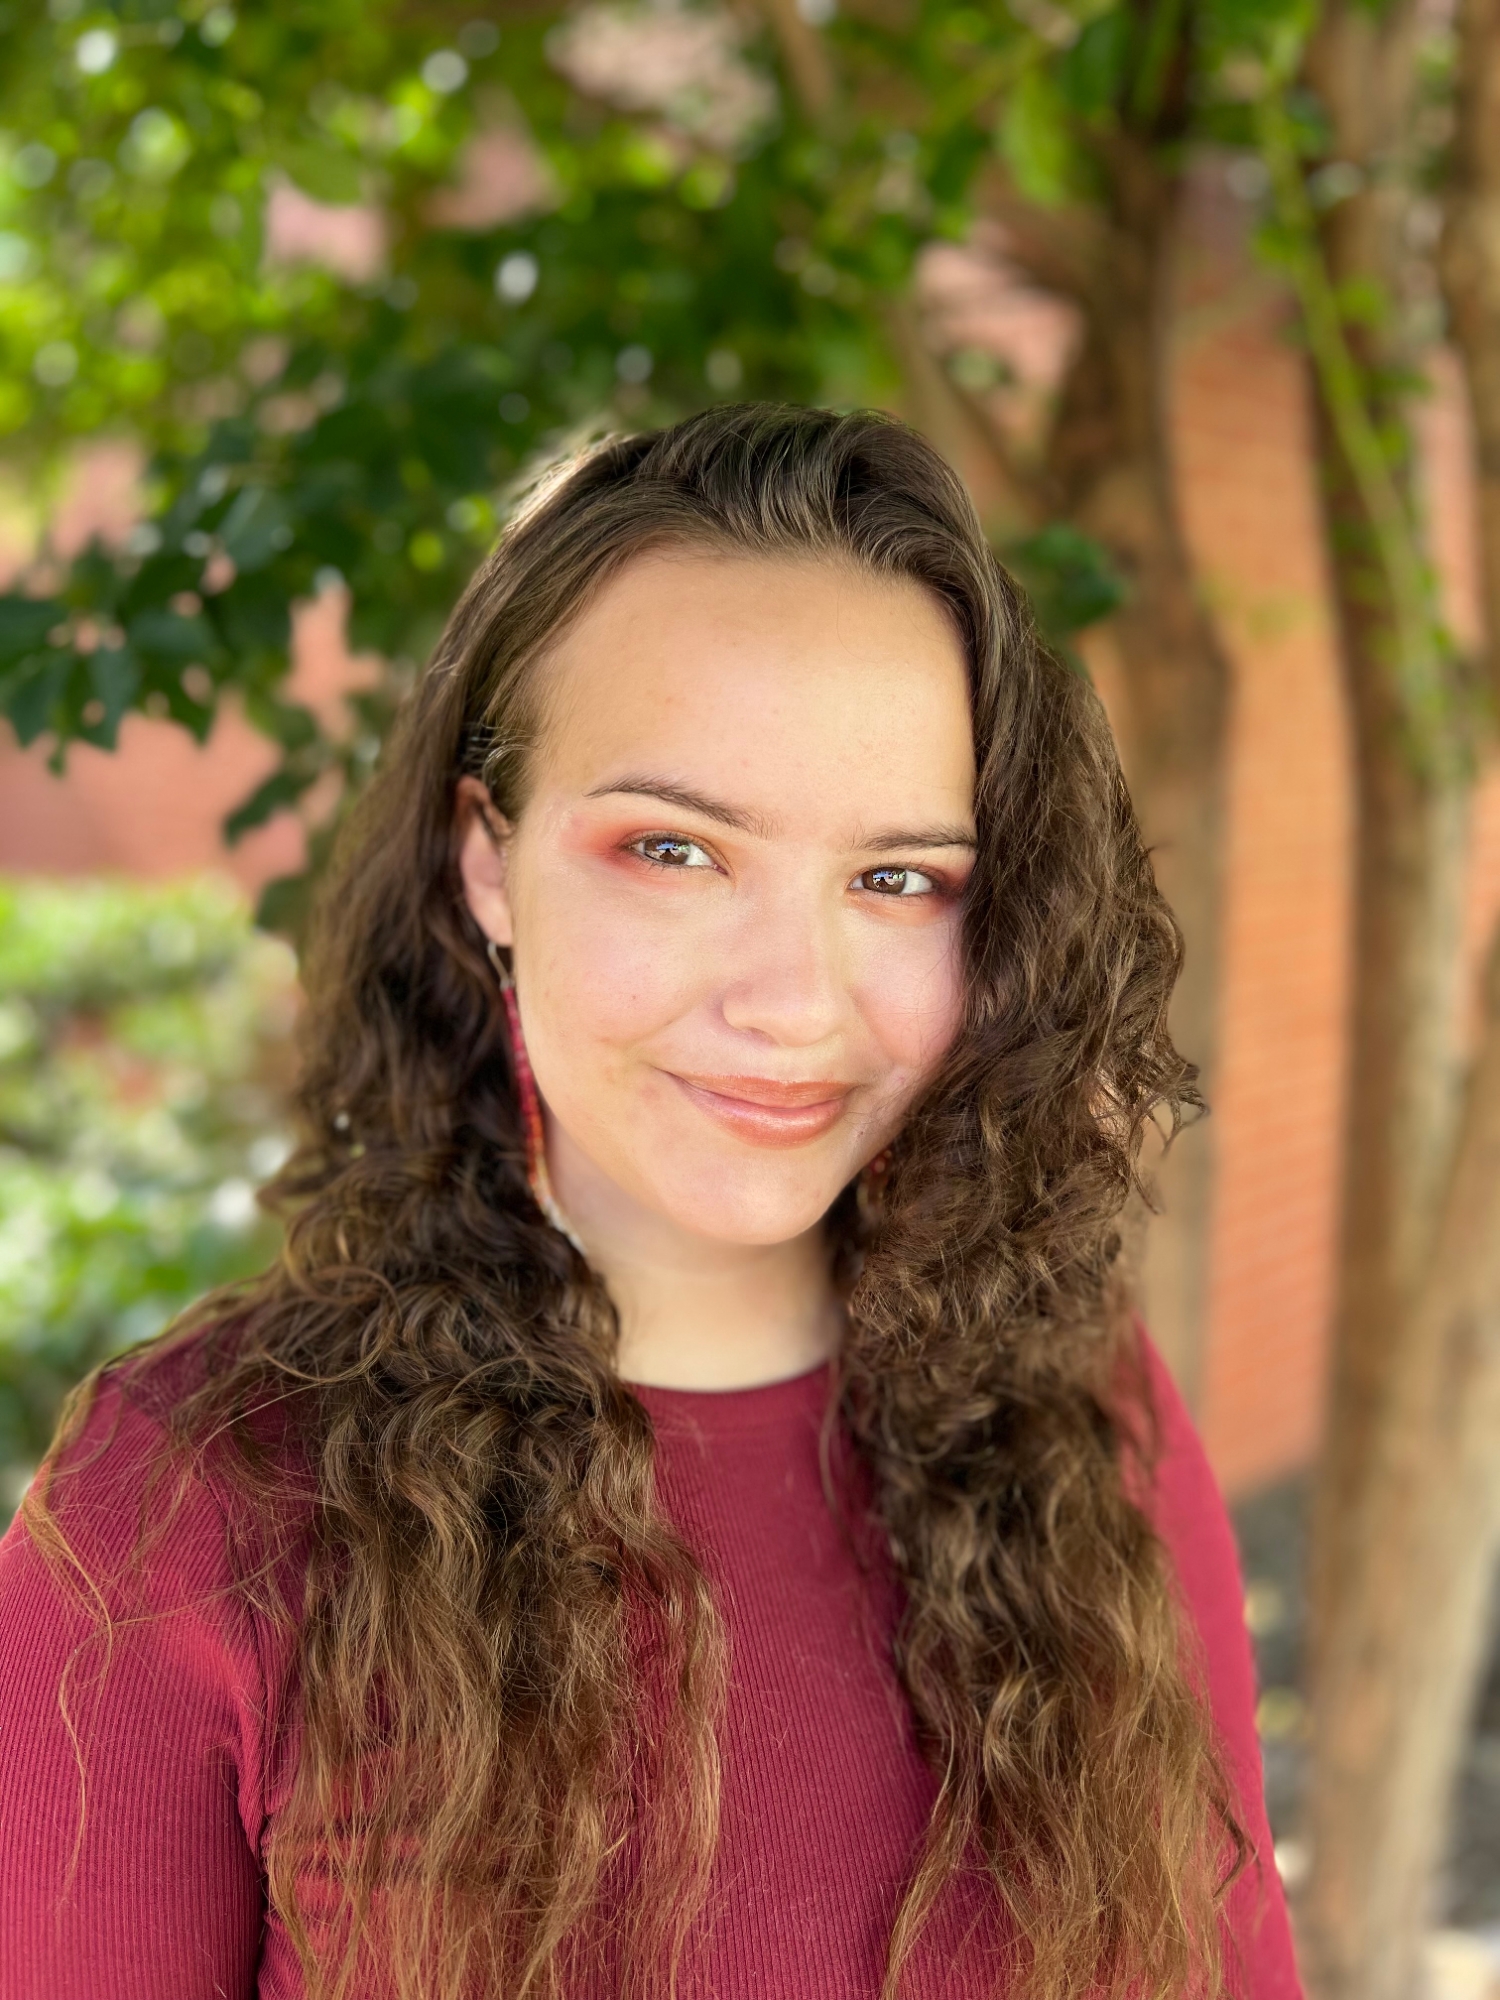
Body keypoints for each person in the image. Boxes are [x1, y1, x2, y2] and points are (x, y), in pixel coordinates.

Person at [0, 405, 1301, 2000]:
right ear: (489, 861)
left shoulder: (1084, 1421)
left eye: (899, 878)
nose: (790, 1003)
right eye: (674, 849)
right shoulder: (189, 1511)